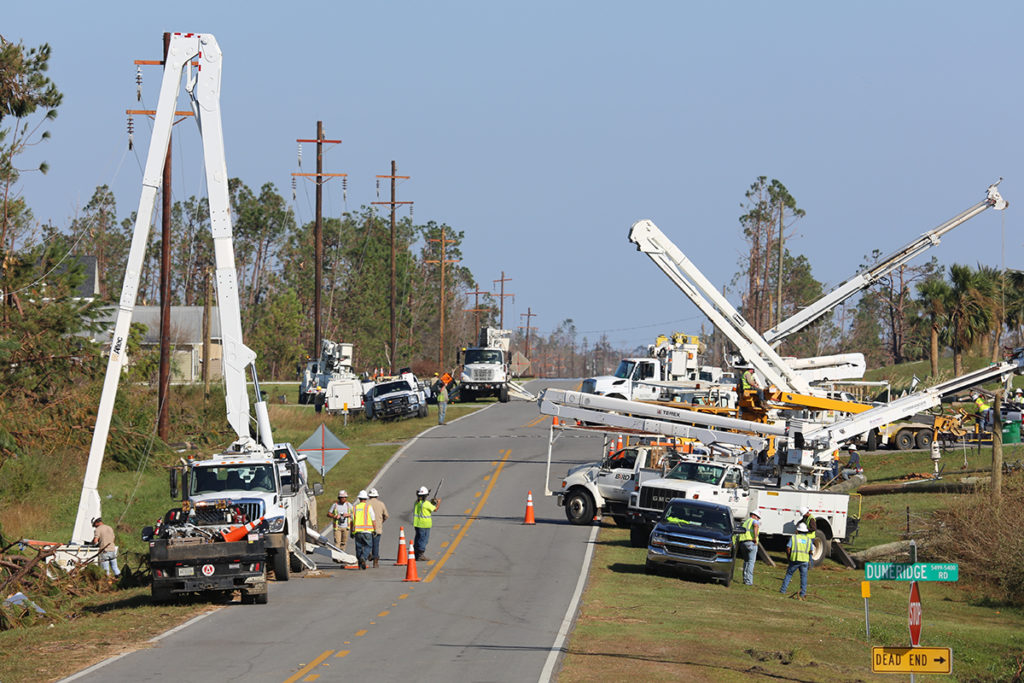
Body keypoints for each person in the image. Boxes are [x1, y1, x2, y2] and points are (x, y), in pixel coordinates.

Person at [779, 522, 814, 599]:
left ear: (797, 531)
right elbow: (811, 551)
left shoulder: (794, 538)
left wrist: (789, 557)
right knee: (804, 577)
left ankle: (783, 590)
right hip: (804, 561)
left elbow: (788, 548)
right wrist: (809, 560)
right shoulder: (808, 540)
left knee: (789, 575)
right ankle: (803, 593)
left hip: (795, 560)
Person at [413, 485, 441, 561]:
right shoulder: (426, 504)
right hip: (424, 525)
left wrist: (432, 502)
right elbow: (435, 509)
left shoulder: (417, 502)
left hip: (417, 524)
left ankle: (415, 554)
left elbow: (428, 506)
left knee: (418, 538)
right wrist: (438, 502)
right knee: (424, 539)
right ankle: (420, 555)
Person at [350, 490, 376, 570]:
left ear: (359, 498)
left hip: (357, 531)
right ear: (366, 498)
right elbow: (373, 519)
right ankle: (363, 558)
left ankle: (360, 564)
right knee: (368, 546)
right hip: (367, 531)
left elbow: (351, 521)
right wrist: (374, 529)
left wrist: (352, 531)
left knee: (358, 547)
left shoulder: (354, 508)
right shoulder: (368, 507)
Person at [736, 510, 761, 586]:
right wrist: (755, 538)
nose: (758, 519)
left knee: (746, 562)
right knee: (751, 563)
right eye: (758, 517)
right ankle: (749, 581)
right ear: (754, 515)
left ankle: (745, 579)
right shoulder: (754, 521)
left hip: (743, 543)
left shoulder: (746, 522)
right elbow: (756, 525)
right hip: (751, 543)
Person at [367, 488, 389, 568]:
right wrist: (381, 521)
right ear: (377, 496)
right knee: (375, 545)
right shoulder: (381, 504)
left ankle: (368, 554)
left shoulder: (366, 503)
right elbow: (386, 515)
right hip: (378, 528)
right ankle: (375, 562)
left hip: (367, 528)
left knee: (367, 544)